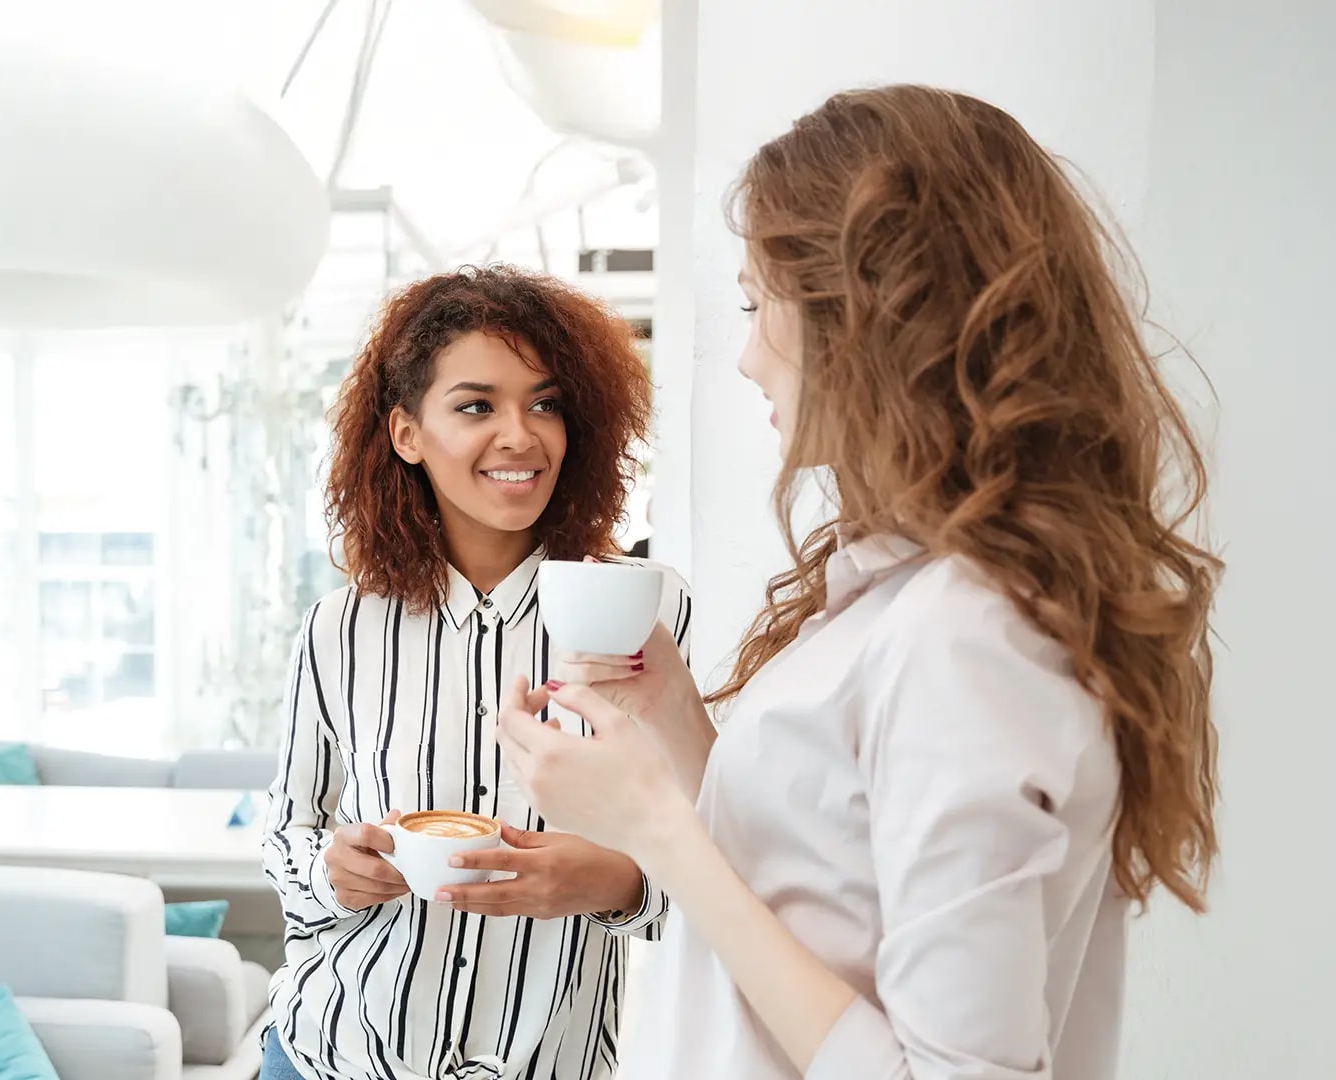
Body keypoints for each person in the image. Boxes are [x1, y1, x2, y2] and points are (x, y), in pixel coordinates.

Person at [499, 84, 1221, 1079]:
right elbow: (822, 887)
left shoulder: (970, 641)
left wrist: (656, 832)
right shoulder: (908, 601)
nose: (748, 359)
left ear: (871, 315)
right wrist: (675, 722)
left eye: (760, 307)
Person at [260, 265, 699, 1080]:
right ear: (406, 434)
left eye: (545, 403)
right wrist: (333, 871)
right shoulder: (338, 629)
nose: (520, 436)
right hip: (332, 1057)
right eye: (475, 406)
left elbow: (723, 869)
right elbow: (286, 840)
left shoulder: (649, 612)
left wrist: (608, 879)